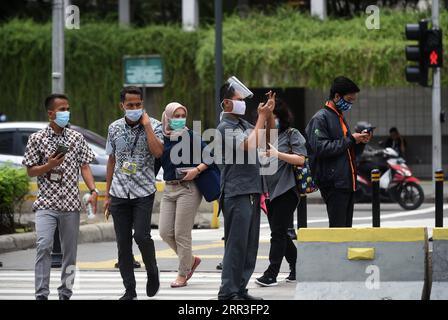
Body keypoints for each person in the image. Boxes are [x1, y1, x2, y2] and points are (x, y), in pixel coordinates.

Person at [23, 93, 98, 300]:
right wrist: (49, 166)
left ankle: (65, 292)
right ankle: (41, 294)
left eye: (67, 108)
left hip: (71, 205)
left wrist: (93, 191)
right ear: (51, 113)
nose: (66, 113)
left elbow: (85, 166)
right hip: (46, 203)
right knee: (44, 246)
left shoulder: (76, 138)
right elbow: (30, 171)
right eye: (62, 109)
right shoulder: (37, 139)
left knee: (70, 254)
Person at [217, 76, 275, 300]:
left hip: (252, 189)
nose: (243, 103)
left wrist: (268, 116)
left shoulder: (243, 124)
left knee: (250, 246)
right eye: (238, 99)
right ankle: (228, 291)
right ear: (226, 103)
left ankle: (240, 288)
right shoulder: (225, 127)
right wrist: (261, 117)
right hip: (236, 191)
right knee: (236, 245)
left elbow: (268, 139)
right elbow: (248, 145)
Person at [104, 86, 164, 300]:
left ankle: (152, 270)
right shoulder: (114, 128)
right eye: (130, 105)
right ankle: (130, 290)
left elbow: (158, 152)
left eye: (138, 105)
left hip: (143, 191)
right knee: (123, 244)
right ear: (122, 106)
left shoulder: (155, 125)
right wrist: (107, 194)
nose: (135, 108)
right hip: (119, 192)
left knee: (141, 235)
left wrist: (147, 126)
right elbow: (112, 160)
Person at [305, 76, 372, 228]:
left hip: (346, 182)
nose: (350, 103)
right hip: (334, 183)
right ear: (336, 96)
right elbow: (320, 148)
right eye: (349, 99)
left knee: (345, 229)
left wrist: (359, 141)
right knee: (338, 229)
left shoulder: (338, 116)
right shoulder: (320, 118)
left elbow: (346, 149)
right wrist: (351, 140)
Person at [158, 102, 212, 288]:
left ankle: (183, 273)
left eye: (182, 116)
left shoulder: (191, 136)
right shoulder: (162, 139)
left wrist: (196, 170)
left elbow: (210, 157)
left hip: (188, 188)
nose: (180, 120)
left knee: (181, 234)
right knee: (165, 232)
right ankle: (191, 260)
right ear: (167, 117)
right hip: (169, 188)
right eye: (176, 116)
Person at [255, 99, 307, 287]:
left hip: (286, 190)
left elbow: (300, 159)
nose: (270, 122)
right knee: (281, 233)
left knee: (277, 233)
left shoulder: (292, 134)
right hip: (268, 193)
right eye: (267, 118)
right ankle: (298, 267)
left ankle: (272, 273)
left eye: (273, 117)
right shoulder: (262, 138)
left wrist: (278, 154)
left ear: (281, 119)